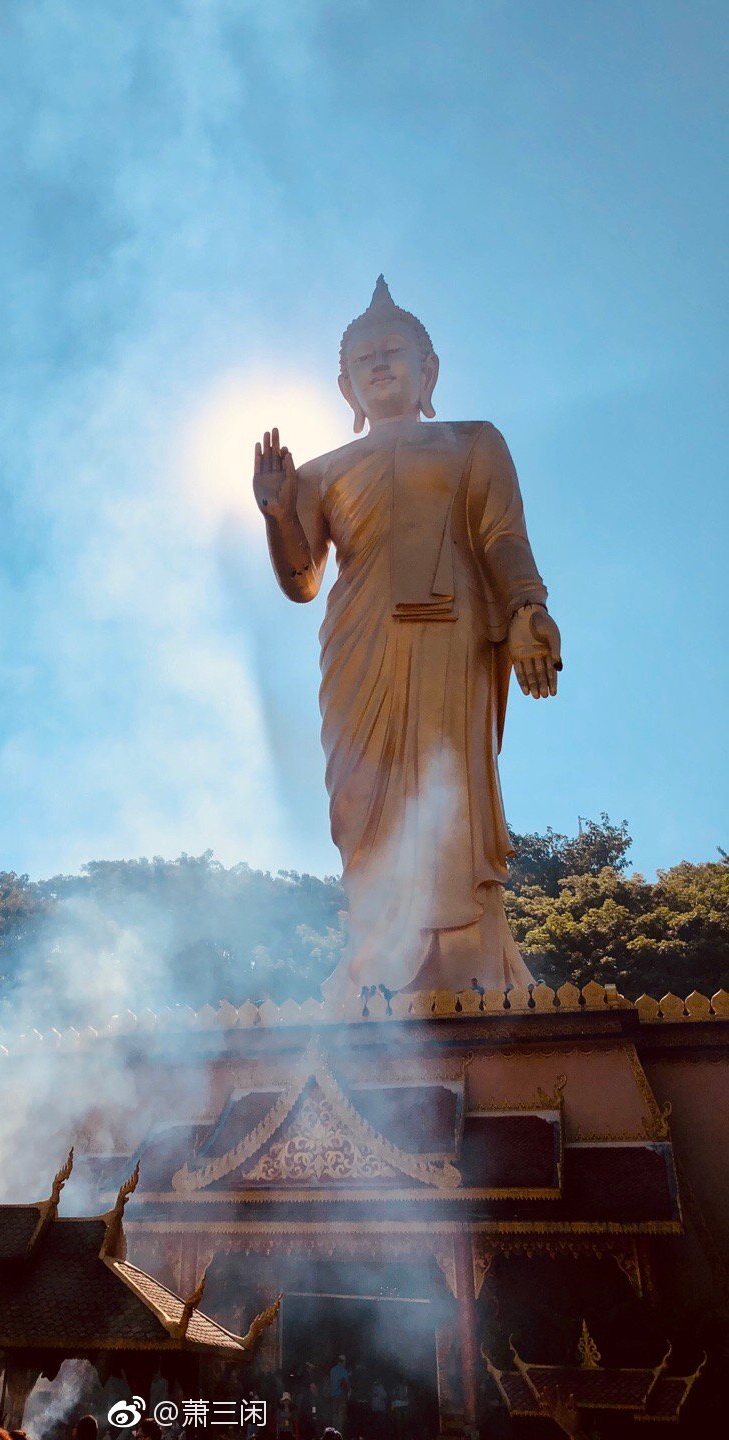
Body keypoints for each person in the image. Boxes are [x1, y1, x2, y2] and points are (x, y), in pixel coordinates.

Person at [252, 276, 561, 995]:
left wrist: (527, 607)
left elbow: (502, 536)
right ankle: (377, 956)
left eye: (393, 352)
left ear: (430, 371)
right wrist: (277, 514)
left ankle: (469, 956)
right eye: (364, 360)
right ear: (346, 386)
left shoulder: (472, 442)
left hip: (452, 633)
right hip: (360, 641)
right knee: (361, 797)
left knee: (450, 786)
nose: (380, 365)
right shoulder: (321, 472)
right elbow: (301, 580)